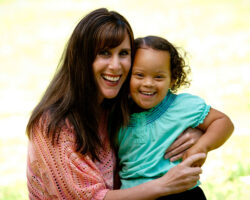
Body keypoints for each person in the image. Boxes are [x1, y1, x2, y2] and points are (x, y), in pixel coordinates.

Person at [26, 8, 206, 200]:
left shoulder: (117, 106)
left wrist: (194, 135)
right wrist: (164, 185)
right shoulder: (53, 125)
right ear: (82, 58)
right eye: (104, 53)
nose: (115, 65)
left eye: (123, 53)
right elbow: (92, 198)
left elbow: (173, 122)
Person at [118, 36, 234, 199]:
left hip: (182, 193)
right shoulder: (115, 114)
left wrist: (202, 146)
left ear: (173, 79)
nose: (148, 83)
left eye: (158, 77)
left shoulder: (183, 106)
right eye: (139, 75)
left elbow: (223, 122)